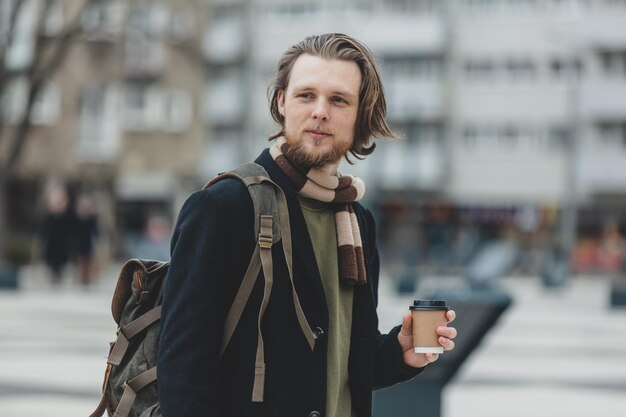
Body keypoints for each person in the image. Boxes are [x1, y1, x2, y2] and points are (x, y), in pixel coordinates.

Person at [158, 33, 457, 417]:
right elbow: (183, 374)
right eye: (305, 95)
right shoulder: (222, 208)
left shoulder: (358, 221)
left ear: (359, 114)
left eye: (338, 100)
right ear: (281, 101)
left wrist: (400, 352)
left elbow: (340, 365)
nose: (320, 111)